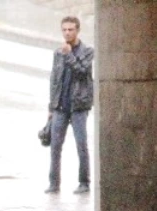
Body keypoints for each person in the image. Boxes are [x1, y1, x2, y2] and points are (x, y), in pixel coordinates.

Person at [45, 15, 94, 194]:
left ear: (77, 30)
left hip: (78, 106)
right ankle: (54, 183)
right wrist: (51, 107)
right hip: (60, 107)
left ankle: (84, 182)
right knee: (55, 146)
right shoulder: (58, 53)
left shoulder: (87, 51)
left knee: (81, 145)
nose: (67, 33)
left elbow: (82, 71)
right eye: (64, 29)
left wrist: (69, 55)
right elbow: (54, 80)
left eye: (70, 29)